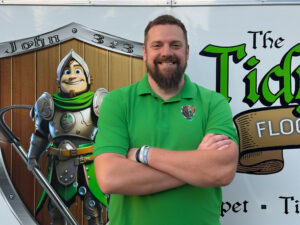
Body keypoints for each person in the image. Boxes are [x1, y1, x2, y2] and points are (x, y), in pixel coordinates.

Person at [93, 14, 239, 225]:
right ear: (144, 52)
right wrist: (197, 167)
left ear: (187, 52)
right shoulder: (118, 102)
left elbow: (222, 171)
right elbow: (110, 178)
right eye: (157, 45)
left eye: (175, 45)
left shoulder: (213, 103)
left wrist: (145, 154)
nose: (166, 52)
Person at [27, 50, 108, 225]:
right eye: (67, 71)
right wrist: (33, 155)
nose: (72, 76)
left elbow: (109, 136)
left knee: (93, 211)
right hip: (58, 165)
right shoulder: (47, 104)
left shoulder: (99, 102)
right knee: (56, 212)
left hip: (89, 166)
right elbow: (41, 134)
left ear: (87, 78)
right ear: (58, 79)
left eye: (78, 71)